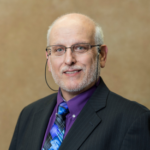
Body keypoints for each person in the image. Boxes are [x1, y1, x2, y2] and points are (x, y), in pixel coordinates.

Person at [9, 13, 150, 150]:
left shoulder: (134, 119)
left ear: (102, 55)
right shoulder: (29, 114)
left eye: (80, 48)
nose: (69, 60)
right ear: (49, 60)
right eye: (59, 49)